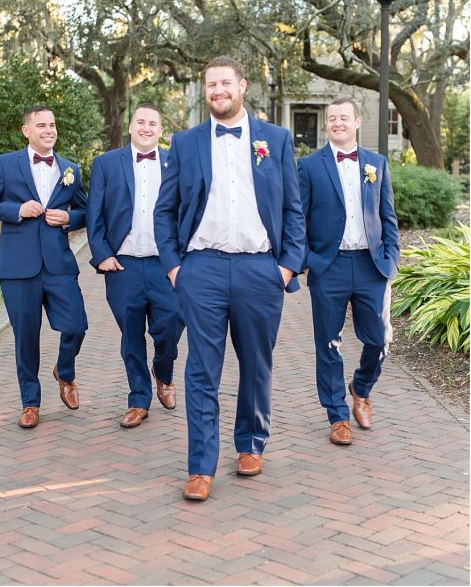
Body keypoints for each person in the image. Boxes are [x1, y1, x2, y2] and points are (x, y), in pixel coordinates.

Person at [155, 56, 305, 502]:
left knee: (256, 363)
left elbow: (293, 209)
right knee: (201, 369)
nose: (218, 90)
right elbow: (164, 210)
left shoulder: (275, 140)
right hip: (201, 269)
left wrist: (286, 267)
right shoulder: (185, 143)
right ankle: (200, 466)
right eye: (210, 84)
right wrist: (174, 266)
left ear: (242, 85)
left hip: (261, 269)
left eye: (225, 82)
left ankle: (251, 444)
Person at [0, 105, 88, 429]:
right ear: (27, 131)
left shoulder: (70, 170)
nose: (48, 130)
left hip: (59, 264)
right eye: (41, 125)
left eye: (52, 124)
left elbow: (86, 211)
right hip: (18, 267)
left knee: (76, 325)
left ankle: (65, 372)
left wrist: (69, 218)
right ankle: (31, 402)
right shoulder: (5, 165)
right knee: (26, 337)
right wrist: (17, 209)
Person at [298, 98, 399, 446]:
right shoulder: (309, 166)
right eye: (332, 118)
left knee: (380, 338)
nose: (337, 123)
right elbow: (299, 217)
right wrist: (306, 259)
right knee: (328, 343)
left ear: (357, 121)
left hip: (372, 266)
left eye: (344, 117)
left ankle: (362, 387)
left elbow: (388, 216)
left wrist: (392, 258)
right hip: (329, 266)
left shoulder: (377, 163)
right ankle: (337, 416)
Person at [86, 105, 184, 429]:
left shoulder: (176, 162)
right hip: (122, 265)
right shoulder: (105, 163)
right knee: (131, 335)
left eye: (152, 123)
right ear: (130, 127)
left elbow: (189, 212)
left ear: (160, 130)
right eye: (140, 121)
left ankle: (164, 372)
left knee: (171, 325)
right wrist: (101, 254)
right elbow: (94, 214)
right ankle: (139, 399)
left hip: (165, 264)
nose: (146, 127)